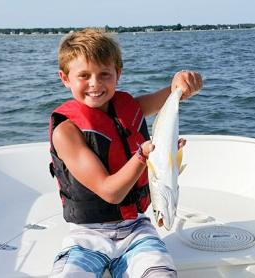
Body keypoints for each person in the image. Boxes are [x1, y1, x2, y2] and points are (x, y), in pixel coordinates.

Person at [48, 28, 202, 278]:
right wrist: (144, 155)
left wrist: (184, 84)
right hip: (87, 238)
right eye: (84, 76)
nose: (95, 84)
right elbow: (111, 191)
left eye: (104, 74)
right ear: (65, 78)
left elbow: (173, 95)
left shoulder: (131, 107)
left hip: (137, 230)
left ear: (118, 74)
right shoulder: (66, 132)